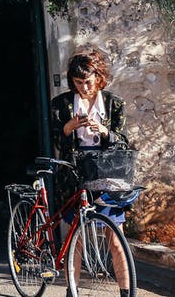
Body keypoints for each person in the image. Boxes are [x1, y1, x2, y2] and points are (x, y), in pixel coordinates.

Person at [50, 46, 130, 297]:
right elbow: (55, 140)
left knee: (115, 237)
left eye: (88, 81)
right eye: (77, 83)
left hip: (106, 173)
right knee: (76, 237)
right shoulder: (61, 104)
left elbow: (124, 142)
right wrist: (69, 127)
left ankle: (127, 292)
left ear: (98, 77)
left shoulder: (113, 103)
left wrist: (105, 133)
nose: (84, 87)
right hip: (75, 173)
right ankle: (71, 291)